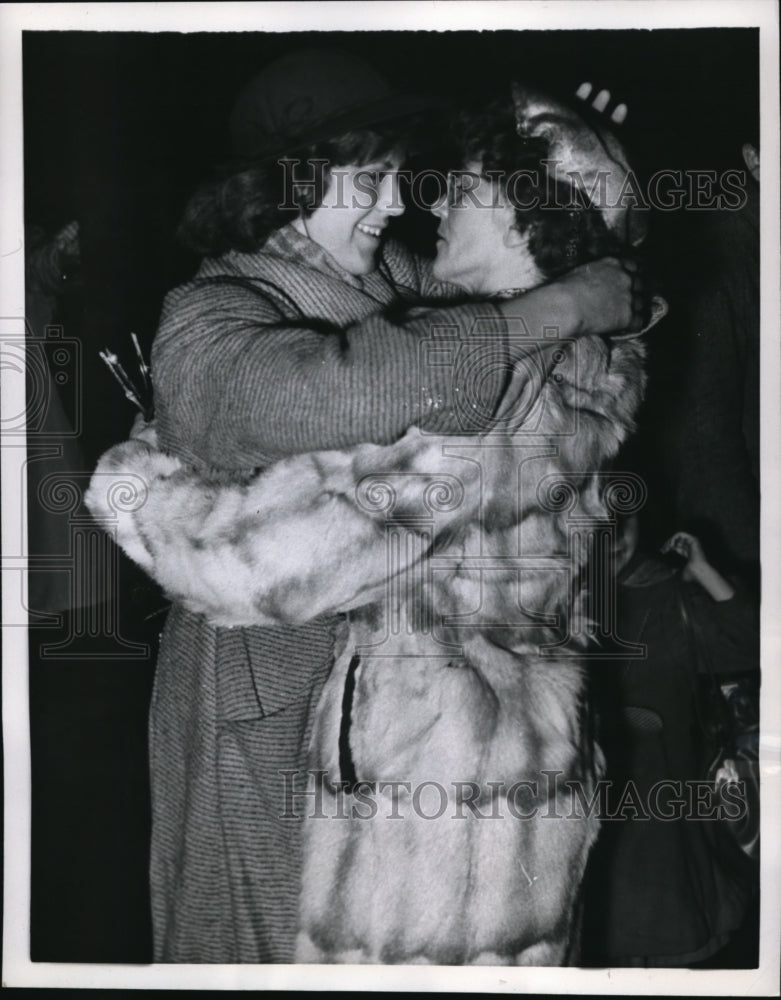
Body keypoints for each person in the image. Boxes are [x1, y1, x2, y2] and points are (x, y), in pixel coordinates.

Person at [88, 54, 649, 964]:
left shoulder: (412, 295)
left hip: (397, 769)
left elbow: (471, 325)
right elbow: (357, 379)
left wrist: (577, 176)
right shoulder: (218, 313)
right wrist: (560, 269)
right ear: (287, 184)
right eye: (372, 177)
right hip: (267, 715)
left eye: (414, 177)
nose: (404, 202)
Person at [581, 521, 759, 967]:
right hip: (586, 824)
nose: (616, 537)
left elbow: (750, 643)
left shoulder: (668, 592)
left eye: (626, 520)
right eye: (600, 524)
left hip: (667, 828)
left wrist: (705, 574)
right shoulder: (553, 601)